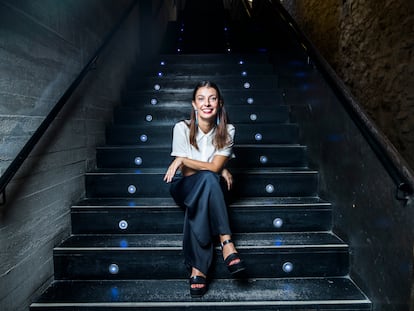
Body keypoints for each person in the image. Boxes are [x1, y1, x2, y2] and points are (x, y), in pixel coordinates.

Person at [164, 81, 246, 298]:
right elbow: (190, 175)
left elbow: (214, 168)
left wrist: (184, 159)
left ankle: (198, 268)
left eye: (212, 98)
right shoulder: (181, 128)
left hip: (208, 188)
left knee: (207, 185)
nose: (206, 103)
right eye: (201, 98)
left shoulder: (228, 130)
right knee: (208, 180)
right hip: (184, 187)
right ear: (194, 104)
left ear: (219, 104)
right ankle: (226, 241)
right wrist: (216, 170)